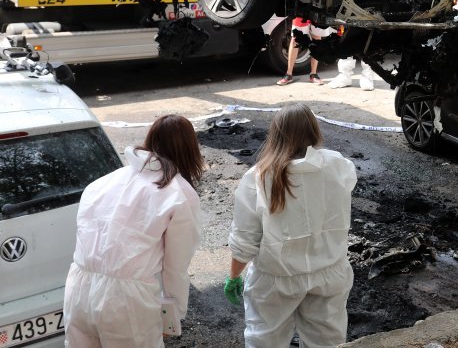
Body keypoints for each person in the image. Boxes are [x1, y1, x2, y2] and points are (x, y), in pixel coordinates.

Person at [63, 115, 204, 348]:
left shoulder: (102, 182)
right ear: (190, 149)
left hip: (78, 290)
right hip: (126, 303)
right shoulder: (178, 192)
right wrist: (173, 314)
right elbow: (175, 268)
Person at [226, 103, 357, 347]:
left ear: (275, 134)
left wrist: (233, 276)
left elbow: (245, 239)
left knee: (264, 340)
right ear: (314, 130)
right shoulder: (339, 165)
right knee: (327, 341)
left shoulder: (260, 176)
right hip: (329, 272)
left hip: (276, 278)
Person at [278, 18, 326, 86]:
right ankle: (289, 74)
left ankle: (313, 74)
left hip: (318, 10)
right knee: (295, 38)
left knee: (317, 37)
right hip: (302, 10)